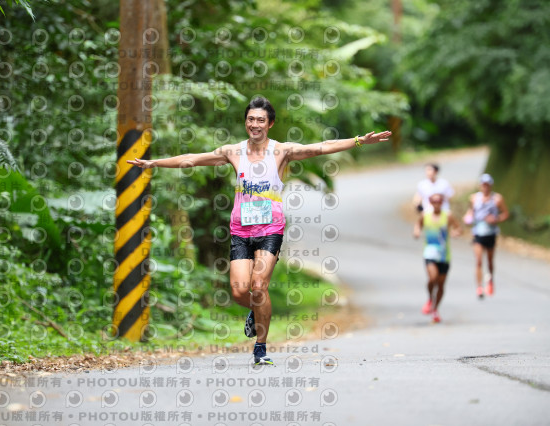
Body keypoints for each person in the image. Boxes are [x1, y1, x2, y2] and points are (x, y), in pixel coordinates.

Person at [128, 96, 391, 365]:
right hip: (241, 230)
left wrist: (359, 140)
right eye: (251, 119)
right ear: (246, 122)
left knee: (258, 286)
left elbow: (321, 147)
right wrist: (154, 163)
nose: (255, 124)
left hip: (270, 229)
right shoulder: (233, 152)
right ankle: (257, 311)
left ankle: (260, 348)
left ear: (270, 124)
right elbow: (192, 159)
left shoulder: (282, 151)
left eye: (260, 120)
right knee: (239, 291)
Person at [413, 193, 462, 323]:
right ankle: (430, 298)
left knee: (441, 284)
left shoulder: (448, 216)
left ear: (442, 202)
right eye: (434, 201)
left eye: (439, 201)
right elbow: (418, 224)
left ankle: (435, 309)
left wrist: (456, 232)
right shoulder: (425, 215)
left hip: (444, 255)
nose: (436, 203)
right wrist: (417, 231)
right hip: (429, 252)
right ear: (430, 202)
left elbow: (458, 228)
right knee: (432, 278)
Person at [463, 173, 509, 298]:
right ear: (480, 186)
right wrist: (467, 218)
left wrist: (496, 219)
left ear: (491, 186)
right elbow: (470, 212)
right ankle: (479, 287)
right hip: (478, 233)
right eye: (483, 185)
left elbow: (505, 214)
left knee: (489, 260)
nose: (485, 187)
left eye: (487, 185)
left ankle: (490, 279)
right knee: (478, 260)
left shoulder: (497, 199)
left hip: (491, 233)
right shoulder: (474, 198)